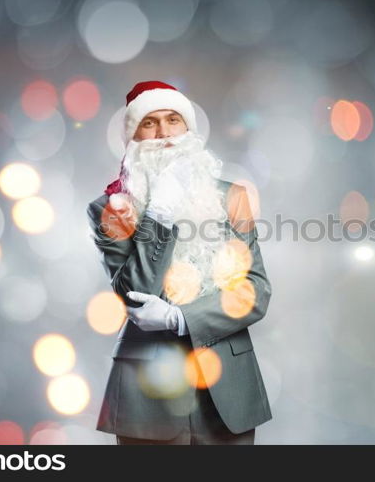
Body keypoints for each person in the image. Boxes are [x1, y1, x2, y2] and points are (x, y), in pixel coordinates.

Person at [86, 80, 273, 445]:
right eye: (149, 122)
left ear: (189, 130)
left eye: (173, 120)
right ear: (133, 137)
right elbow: (135, 294)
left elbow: (255, 289)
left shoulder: (233, 197)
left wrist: (180, 318)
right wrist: (159, 213)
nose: (164, 133)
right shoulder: (109, 209)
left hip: (227, 390)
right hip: (147, 397)